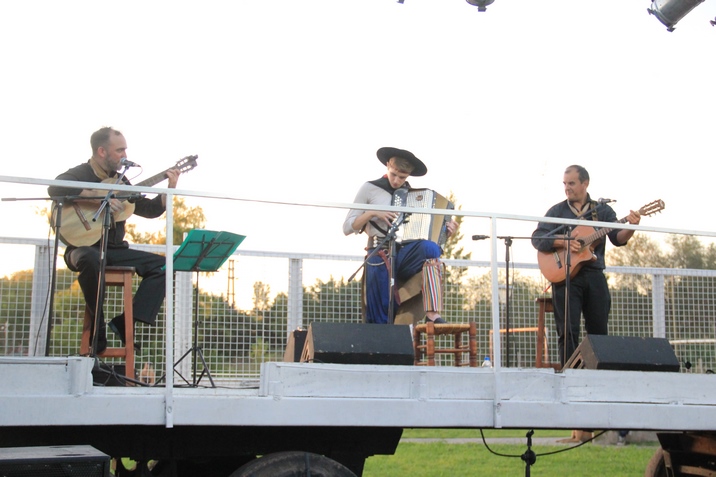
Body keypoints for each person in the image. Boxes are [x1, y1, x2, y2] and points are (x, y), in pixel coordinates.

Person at [48, 127, 181, 354]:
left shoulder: (123, 182)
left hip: (115, 249)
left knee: (164, 266)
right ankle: (97, 326)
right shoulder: (81, 173)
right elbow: (55, 187)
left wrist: (169, 189)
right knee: (92, 259)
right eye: (120, 150)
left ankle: (126, 322)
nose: (125, 155)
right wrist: (98, 197)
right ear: (102, 151)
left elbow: (150, 210)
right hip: (81, 248)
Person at [531, 165, 640, 366]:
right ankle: (569, 373)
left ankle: (596, 374)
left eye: (571, 183)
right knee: (568, 331)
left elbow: (617, 238)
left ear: (585, 183)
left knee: (599, 331)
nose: (567, 188)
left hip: (594, 274)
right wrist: (564, 242)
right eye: (565, 183)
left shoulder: (602, 211)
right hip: (565, 276)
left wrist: (632, 227)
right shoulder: (557, 211)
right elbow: (538, 238)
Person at [343, 147, 458, 325]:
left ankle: (432, 313)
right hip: (379, 251)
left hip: (403, 252)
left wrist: (446, 232)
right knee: (380, 315)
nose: (397, 181)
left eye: (402, 177)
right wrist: (373, 212)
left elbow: (422, 232)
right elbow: (347, 227)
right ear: (387, 165)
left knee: (431, 248)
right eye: (394, 174)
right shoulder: (370, 188)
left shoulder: (413, 196)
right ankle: (380, 339)